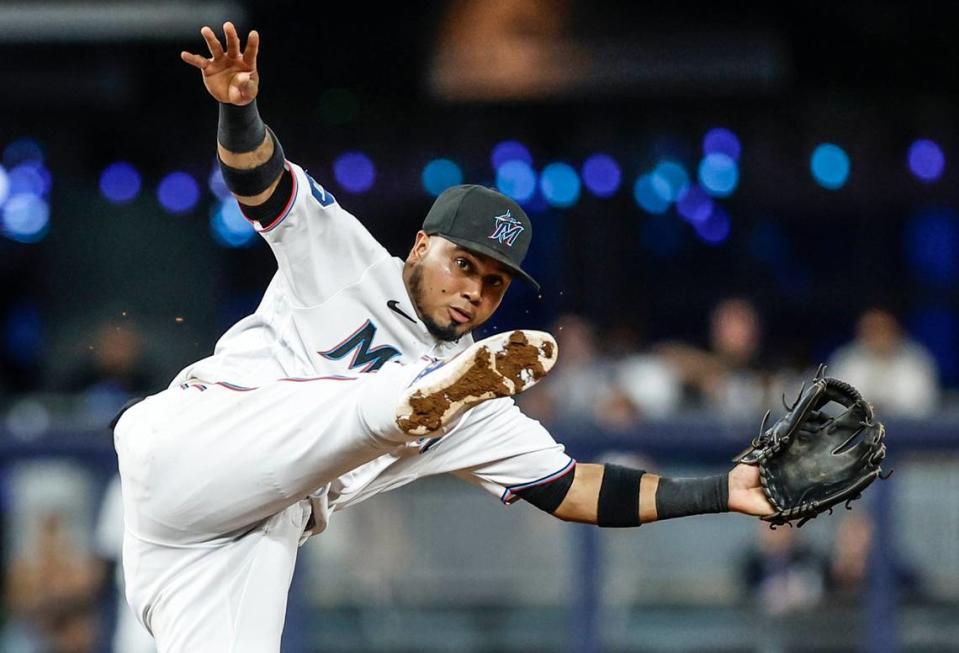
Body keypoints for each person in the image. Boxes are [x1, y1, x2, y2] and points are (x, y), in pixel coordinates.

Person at [114, 22, 775, 652]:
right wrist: (239, 110)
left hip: (247, 534)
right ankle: (408, 398)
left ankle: (411, 398)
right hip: (197, 438)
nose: (474, 292)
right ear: (421, 245)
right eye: (464, 264)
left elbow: (574, 488)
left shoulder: (477, 399)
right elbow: (259, 182)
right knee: (390, 399)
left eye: (493, 284)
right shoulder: (343, 255)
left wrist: (722, 489)